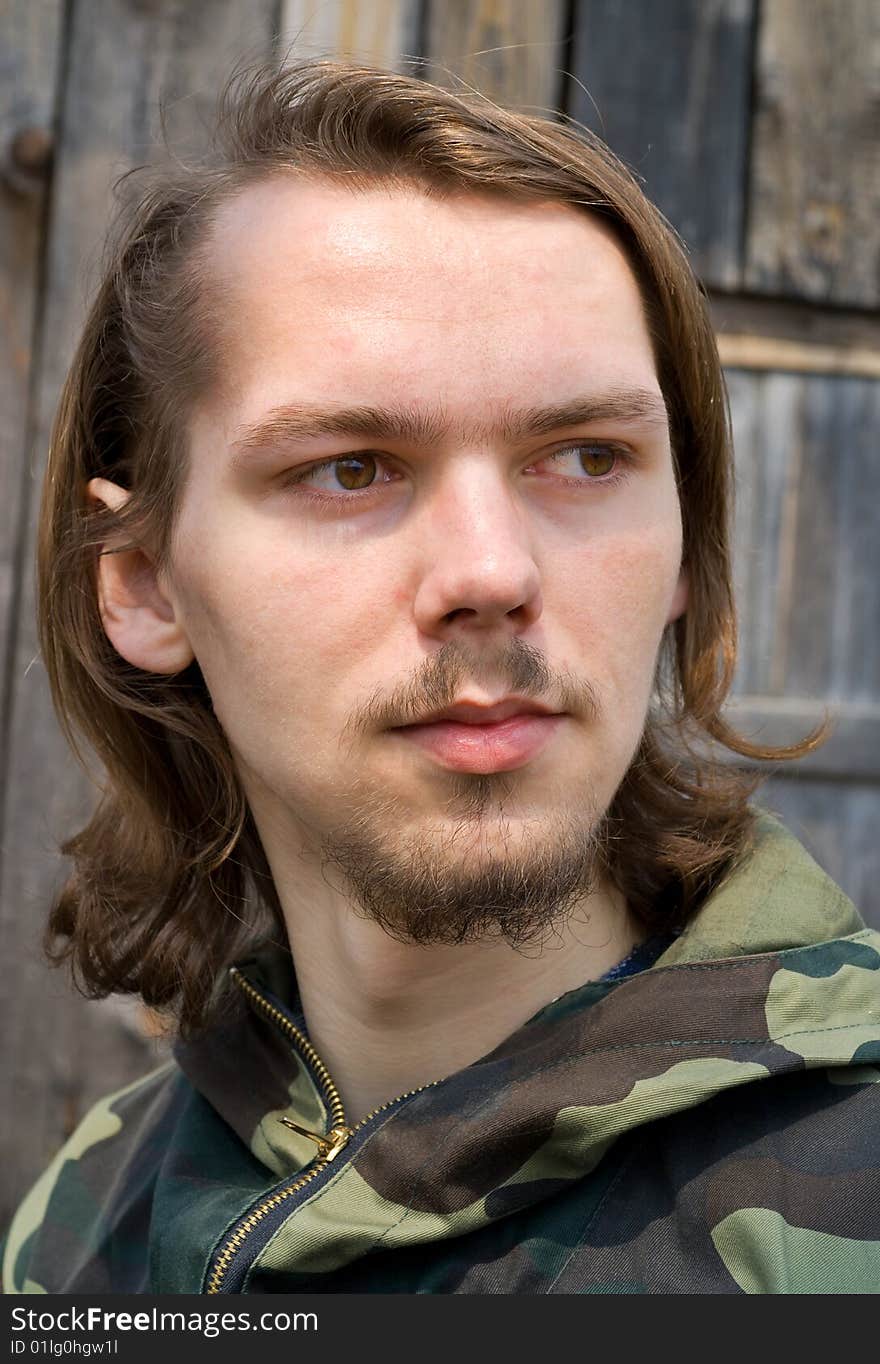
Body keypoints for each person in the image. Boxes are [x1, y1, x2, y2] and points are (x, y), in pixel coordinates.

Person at [3, 57, 879, 1296]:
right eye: (352, 467)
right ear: (145, 582)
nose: (490, 570)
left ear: (685, 546)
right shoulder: (84, 1228)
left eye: (584, 455)